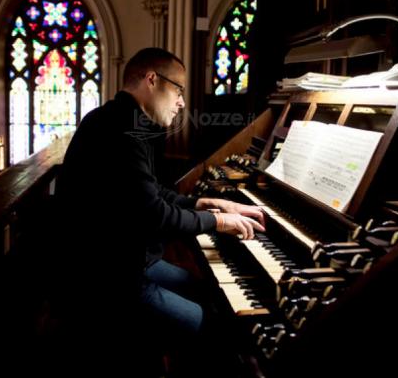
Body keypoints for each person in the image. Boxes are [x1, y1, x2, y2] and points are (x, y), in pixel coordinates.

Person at [50, 47, 265, 375]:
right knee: (215, 329)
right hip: (107, 280)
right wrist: (217, 221)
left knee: (208, 290)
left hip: (125, 260)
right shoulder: (121, 130)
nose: (181, 102)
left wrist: (201, 203)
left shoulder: (124, 120)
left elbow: (148, 193)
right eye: (178, 89)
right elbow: (152, 213)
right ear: (152, 79)